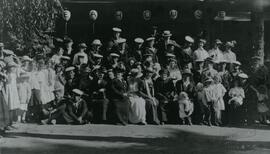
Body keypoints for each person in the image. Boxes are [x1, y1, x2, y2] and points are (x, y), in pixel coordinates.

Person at [0, 61, 10, 135]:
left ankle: (2, 128)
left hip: (0, 94)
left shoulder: (2, 75)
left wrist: (4, 75)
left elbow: (8, 81)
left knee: (2, 111)